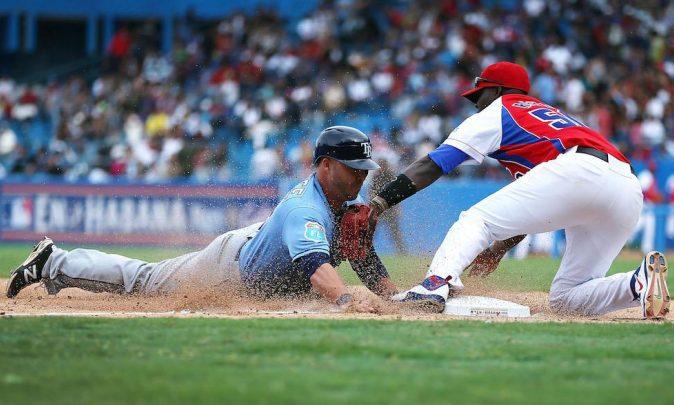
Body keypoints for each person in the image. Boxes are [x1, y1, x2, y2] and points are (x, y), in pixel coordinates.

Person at [367, 61, 670, 318]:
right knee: (566, 299)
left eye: (479, 95)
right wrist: (498, 249)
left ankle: (434, 284)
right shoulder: (549, 115)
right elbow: (533, 206)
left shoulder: (498, 111)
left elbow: (435, 164)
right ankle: (637, 284)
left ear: (497, 91)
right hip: (626, 186)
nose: (477, 104)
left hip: (579, 171)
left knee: (476, 220)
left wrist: (380, 202)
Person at [6, 126, 397, 312]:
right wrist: (347, 299)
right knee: (144, 281)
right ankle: (52, 261)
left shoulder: (347, 197)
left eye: (364, 168)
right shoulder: (305, 209)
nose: (361, 175)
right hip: (230, 268)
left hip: (259, 250)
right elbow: (317, 268)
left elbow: (359, 252)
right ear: (325, 165)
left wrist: (390, 296)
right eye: (352, 168)